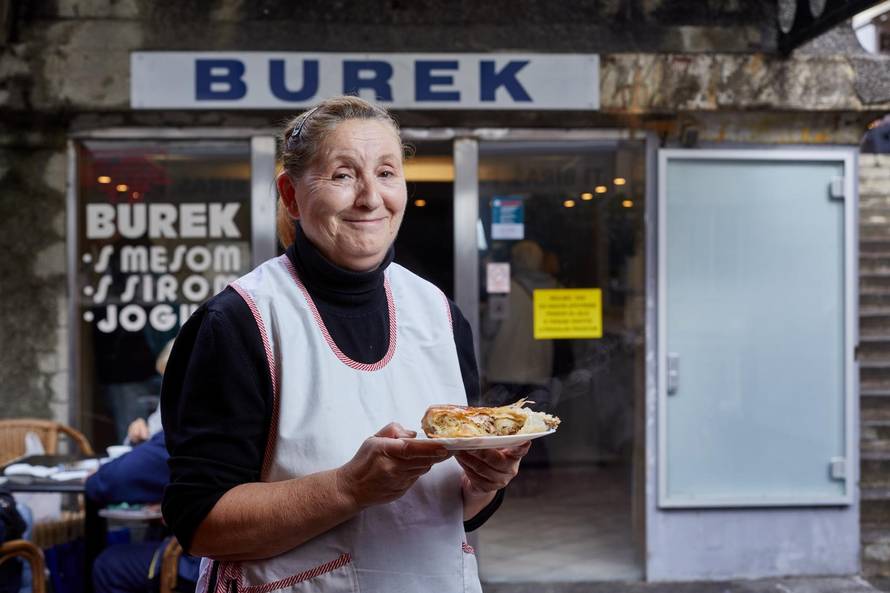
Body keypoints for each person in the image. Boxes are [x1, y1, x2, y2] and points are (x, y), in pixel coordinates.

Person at [161, 96, 531, 593]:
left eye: (386, 172)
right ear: (291, 195)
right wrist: (348, 488)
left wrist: (485, 482)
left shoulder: (439, 315)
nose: (370, 197)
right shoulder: (239, 322)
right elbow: (201, 524)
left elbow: (451, 514)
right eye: (342, 175)